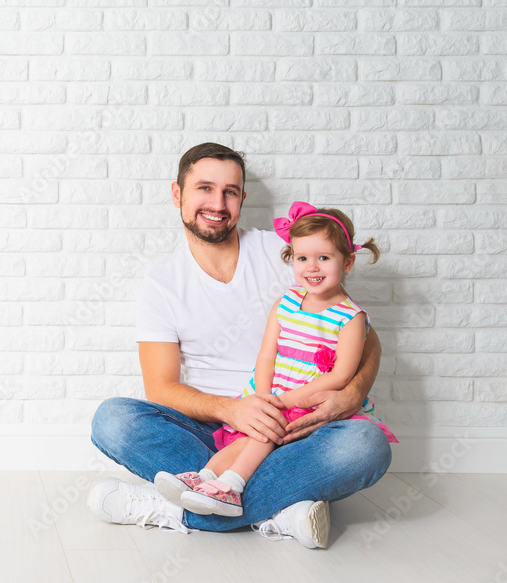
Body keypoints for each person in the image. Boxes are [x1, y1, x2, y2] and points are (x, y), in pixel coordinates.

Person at [86, 142, 393, 549]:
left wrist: (351, 395)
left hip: (296, 423)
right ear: (177, 194)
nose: (217, 202)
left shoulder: (284, 254)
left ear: (243, 199)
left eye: (230, 191)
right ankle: (278, 510)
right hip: (213, 427)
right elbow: (160, 390)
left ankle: (178, 507)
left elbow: (364, 335)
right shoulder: (162, 284)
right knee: (113, 419)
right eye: (204, 188)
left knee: (366, 445)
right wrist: (234, 409)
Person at [153, 202, 398, 519]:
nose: (312, 267)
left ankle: (232, 486)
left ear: (348, 262)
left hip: (308, 400)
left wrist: (285, 401)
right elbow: (267, 354)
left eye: (324, 258)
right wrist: (262, 397)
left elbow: (340, 376)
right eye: (302, 258)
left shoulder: (351, 317)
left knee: (273, 434)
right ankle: (206, 478)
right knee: (250, 432)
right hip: (268, 393)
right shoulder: (288, 300)